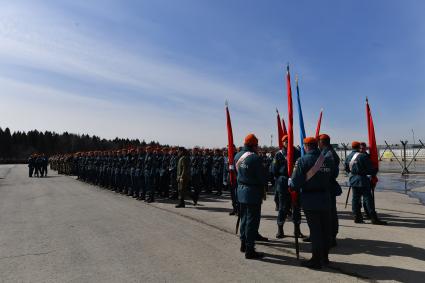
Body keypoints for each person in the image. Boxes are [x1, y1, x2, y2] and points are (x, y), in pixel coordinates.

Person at [290, 137, 333, 269]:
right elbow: (334, 175)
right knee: (325, 229)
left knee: (315, 231)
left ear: (307, 146)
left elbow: (296, 182)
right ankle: (325, 257)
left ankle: (316, 260)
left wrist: (291, 183)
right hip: (325, 197)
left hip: (310, 198)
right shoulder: (327, 159)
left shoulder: (302, 160)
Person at [234, 133, 265, 259]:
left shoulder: (237, 156)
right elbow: (262, 177)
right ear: (253, 145)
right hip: (252, 192)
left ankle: (243, 244)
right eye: (257, 145)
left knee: (244, 219)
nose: (258, 147)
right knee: (252, 221)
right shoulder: (255, 158)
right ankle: (250, 249)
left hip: (241, 191)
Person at [345, 142, 387, 225]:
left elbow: (346, 168)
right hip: (363, 180)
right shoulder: (363, 156)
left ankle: (357, 216)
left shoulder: (349, 156)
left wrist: (352, 174)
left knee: (355, 199)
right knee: (368, 199)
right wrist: (375, 170)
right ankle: (373, 218)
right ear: (358, 147)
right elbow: (370, 169)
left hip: (353, 180)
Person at [318, 134, 342, 247]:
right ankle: (320, 235)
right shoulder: (325, 152)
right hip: (325, 186)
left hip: (328, 186)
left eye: (319, 142)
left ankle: (332, 237)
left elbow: (332, 172)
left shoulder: (329, 154)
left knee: (330, 212)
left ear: (322, 142)